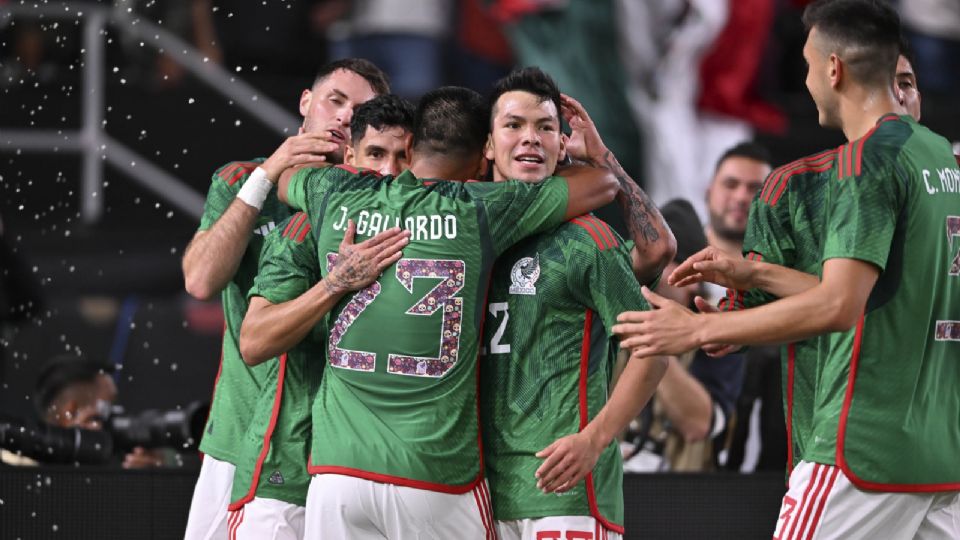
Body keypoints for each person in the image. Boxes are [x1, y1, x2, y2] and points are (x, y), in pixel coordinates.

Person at [614, 1, 960, 537]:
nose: (805, 79)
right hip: (939, 453)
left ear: (833, 69)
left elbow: (838, 307)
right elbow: (881, 297)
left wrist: (699, 326)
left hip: (862, 448)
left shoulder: (865, 163)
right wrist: (758, 276)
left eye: (806, 63)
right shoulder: (939, 156)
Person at [275, 85, 620, 538]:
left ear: (412, 146)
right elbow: (603, 185)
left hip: (337, 472)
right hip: (434, 469)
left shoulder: (332, 192)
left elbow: (285, 180)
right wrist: (591, 155)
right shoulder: (481, 209)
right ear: (483, 156)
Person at [180, 58, 390, 540]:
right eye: (335, 101)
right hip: (240, 434)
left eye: (359, 111)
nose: (342, 117)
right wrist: (271, 171)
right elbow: (201, 281)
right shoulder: (241, 182)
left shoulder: (382, 199)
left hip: (336, 442)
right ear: (305, 102)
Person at [479, 67, 673, 540]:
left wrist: (596, 439)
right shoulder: (466, 237)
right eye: (514, 125)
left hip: (565, 494)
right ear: (487, 146)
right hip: (481, 494)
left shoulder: (588, 241)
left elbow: (655, 350)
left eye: (545, 127)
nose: (530, 138)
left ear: (562, 145)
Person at [222, 94, 415, 539]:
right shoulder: (304, 229)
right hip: (289, 472)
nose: (388, 172)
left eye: (403, 158)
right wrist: (335, 283)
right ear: (349, 156)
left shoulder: (435, 229)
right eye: (376, 155)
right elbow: (254, 341)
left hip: (386, 477)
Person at [621, 199, 743, 473]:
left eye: (663, 262)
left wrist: (652, 334)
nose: (647, 268)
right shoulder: (611, 319)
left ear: (692, 280)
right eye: (644, 255)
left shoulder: (717, 332)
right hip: (610, 490)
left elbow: (698, 423)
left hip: (682, 497)